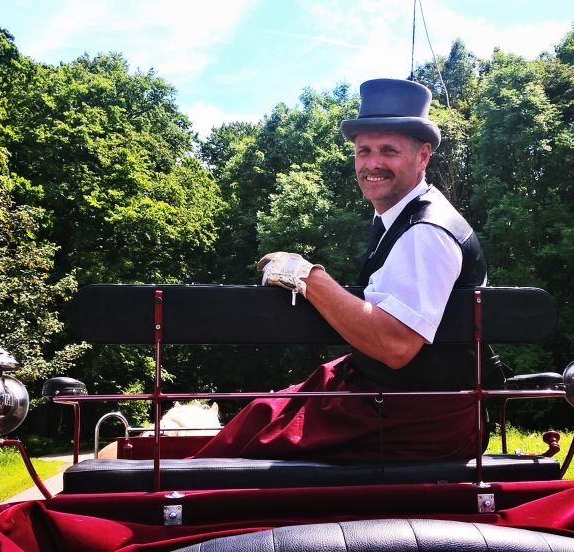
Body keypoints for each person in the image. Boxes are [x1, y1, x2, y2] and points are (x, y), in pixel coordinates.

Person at [195, 78, 489, 462]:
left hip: (418, 417)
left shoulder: (426, 233)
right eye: (363, 150)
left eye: (389, 150)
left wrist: (308, 278)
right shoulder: (398, 219)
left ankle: (183, 504)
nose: (372, 163)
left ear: (423, 157)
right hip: (395, 397)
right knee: (264, 412)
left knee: (257, 436)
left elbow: (396, 345)